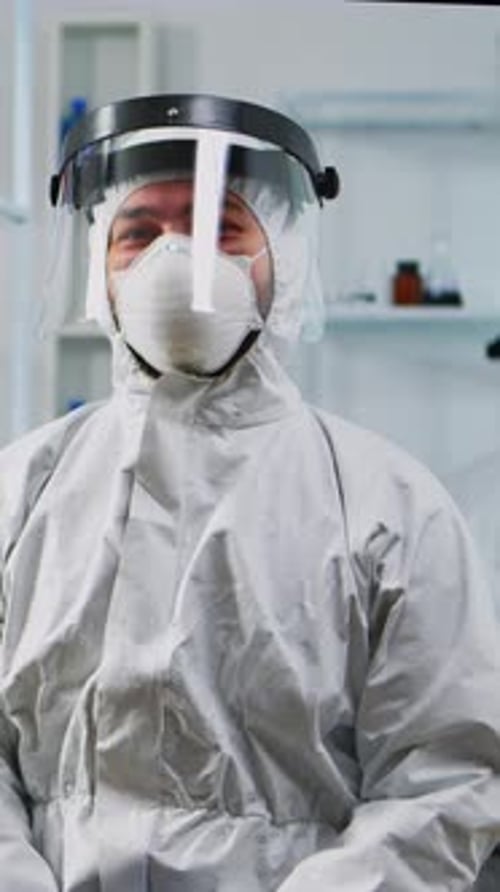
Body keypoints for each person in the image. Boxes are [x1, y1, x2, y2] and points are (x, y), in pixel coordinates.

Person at [0, 92, 499, 892]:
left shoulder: (391, 511)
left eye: (217, 227)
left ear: (285, 255)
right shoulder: (21, 494)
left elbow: (446, 778)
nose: (175, 260)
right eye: (140, 232)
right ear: (102, 265)